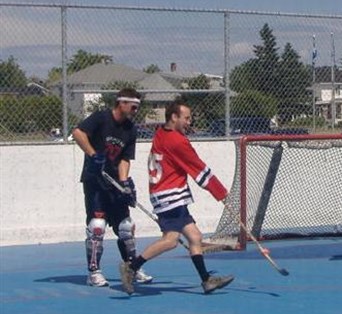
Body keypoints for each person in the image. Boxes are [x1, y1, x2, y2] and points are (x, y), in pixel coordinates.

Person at [119, 98, 234, 295]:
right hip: (170, 196)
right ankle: (132, 267)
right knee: (171, 240)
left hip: (168, 195)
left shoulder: (161, 133)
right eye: (186, 118)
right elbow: (199, 170)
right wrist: (222, 194)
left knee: (195, 237)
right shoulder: (177, 141)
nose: (190, 122)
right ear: (174, 117)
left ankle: (206, 280)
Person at [73, 88, 153, 287]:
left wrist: (124, 183)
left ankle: (131, 267)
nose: (135, 110)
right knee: (97, 227)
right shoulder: (101, 118)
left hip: (114, 184)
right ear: (122, 103)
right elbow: (78, 133)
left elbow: (125, 158)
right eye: (133, 106)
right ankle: (93, 272)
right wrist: (93, 155)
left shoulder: (130, 129)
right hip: (95, 182)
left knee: (126, 227)